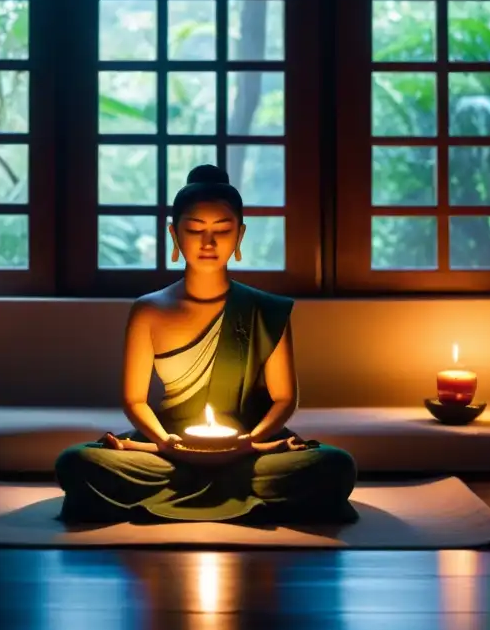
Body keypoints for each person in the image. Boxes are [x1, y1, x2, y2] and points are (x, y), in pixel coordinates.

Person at [55, 165, 357, 524]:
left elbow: (284, 398)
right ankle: (225, 488)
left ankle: (203, 484)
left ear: (240, 236)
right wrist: (165, 442)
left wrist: (249, 441)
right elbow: (134, 399)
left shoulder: (264, 310)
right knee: (75, 463)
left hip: (249, 447)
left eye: (223, 230)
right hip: (169, 448)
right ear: (174, 235)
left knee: (336, 465)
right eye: (195, 229)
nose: (208, 242)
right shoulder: (149, 310)